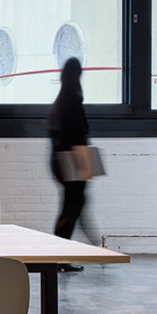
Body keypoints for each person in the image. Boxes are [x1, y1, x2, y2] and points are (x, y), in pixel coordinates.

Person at [47, 56, 94, 264]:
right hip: (73, 161)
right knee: (73, 207)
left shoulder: (60, 101)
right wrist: (86, 166)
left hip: (60, 160)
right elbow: (78, 137)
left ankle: (65, 253)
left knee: (74, 205)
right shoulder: (74, 100)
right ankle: (61, 255)